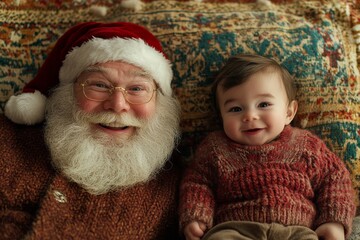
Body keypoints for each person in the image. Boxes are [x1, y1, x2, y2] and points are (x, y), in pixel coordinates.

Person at [0, 22, 182, 239]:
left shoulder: (179, 189)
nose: (117, 104)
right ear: (68, 93)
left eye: (136, 89)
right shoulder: (8, 141)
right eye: (99, 85)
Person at [178, 54, 356, 240]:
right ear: (221, 117)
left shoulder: (307, 146)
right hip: (235, 229)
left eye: (263, 104)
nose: (250, 116)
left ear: (289, 112)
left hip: (297, 230)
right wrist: (195, 216)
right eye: (236, 109)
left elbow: (335, 177)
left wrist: (333, 221)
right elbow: (197, 183)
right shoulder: (215, 148)